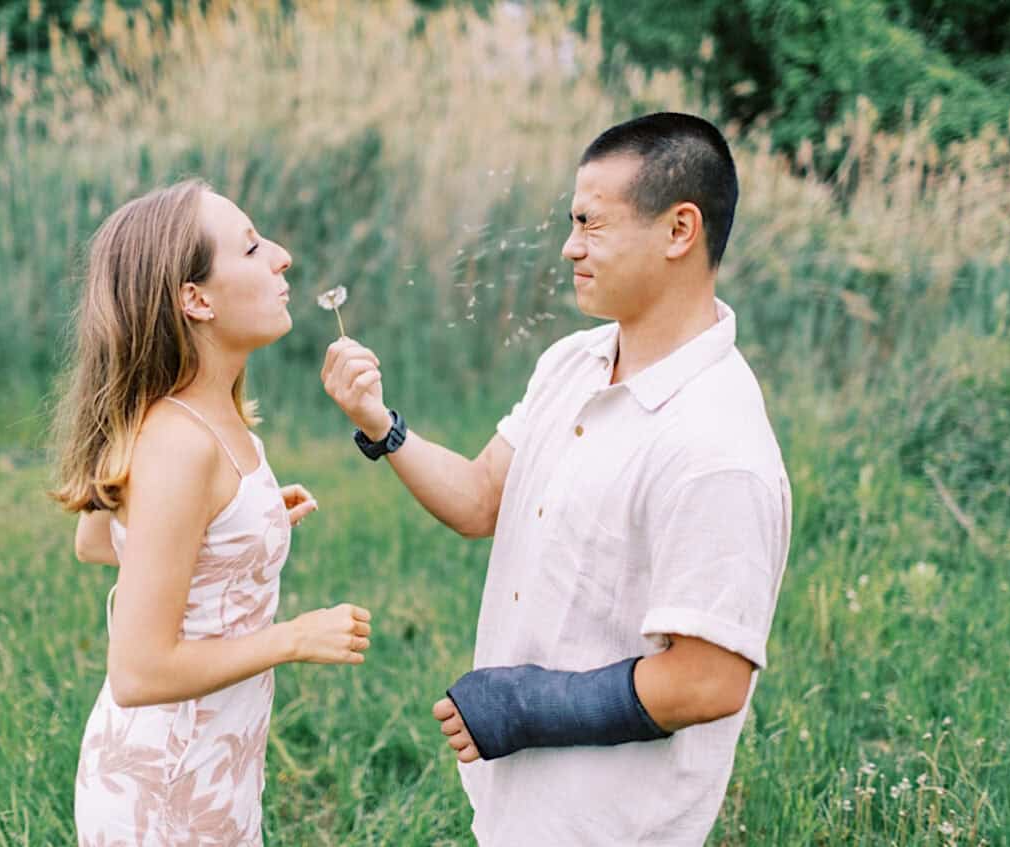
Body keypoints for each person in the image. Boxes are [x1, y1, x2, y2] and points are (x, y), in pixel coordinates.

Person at [319, 112, 791, 845]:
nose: (570, 247)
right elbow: (481, 498)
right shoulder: (572, 361)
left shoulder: (716, 443)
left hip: (611, 824)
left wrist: (524, 702)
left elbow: (709, 681)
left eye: (590, 224)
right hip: (516, 802)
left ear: (679, 230)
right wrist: (382, 425)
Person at [52, 178, 373, 845]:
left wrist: (243, 526)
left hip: (209, 772)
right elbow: (137, 671)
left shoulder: (207, 414)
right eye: (253, 248)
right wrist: (294, 637)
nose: (282, 256)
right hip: (162, 790)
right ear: (195, 298)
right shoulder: (177, 440)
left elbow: (102, 537)